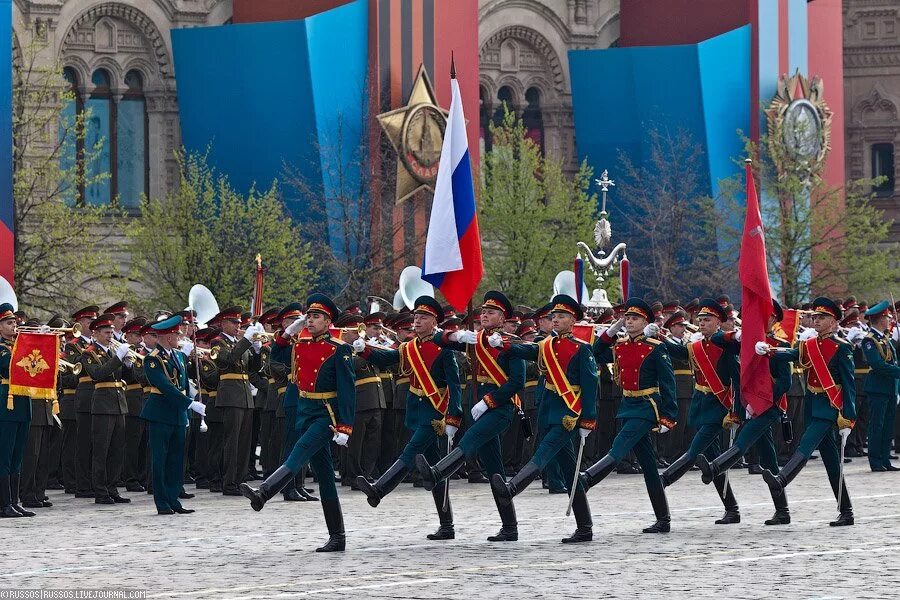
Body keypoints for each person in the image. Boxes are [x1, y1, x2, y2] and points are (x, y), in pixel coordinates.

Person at [240, 293, 356, 552]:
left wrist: (346, 426)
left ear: (328, 322)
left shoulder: (340, 349)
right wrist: (286, 333)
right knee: (325, 477)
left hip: (326, 415)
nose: (310, 320)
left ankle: (265, 492)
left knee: (298, 452)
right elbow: (275, 358)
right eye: (309, 316)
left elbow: (348, 391)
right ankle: (337, 537)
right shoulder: (300, 345)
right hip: (305, 411)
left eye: (316, 316)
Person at [414, 291, 526, 542]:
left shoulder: (511, 342)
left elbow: (517, 381)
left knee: (471, 439)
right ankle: (510, 527)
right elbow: (441, 340)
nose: (484, 315)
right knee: (495, 469)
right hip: (478, 407)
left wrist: (490, 401)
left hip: (501, 407)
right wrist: (456, 335)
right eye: (483, 312)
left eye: (491, 313)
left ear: (502, 318)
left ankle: (436, 473)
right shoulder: (474, 340)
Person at [352, 296, 462, 540]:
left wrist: (454, 417)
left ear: (435, 321)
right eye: (416, 317)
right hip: (417, 409)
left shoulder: (444, 349)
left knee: (410, 452)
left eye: (423, 318)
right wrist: (366, 351)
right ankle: (447, 526)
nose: (417, 321)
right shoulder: (410, 346)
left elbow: (455, 385)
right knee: (435, 470)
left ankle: (380, 489)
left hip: (435, 413)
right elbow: (386, 359)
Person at [492, 294, 598, 543]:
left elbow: (590, 385)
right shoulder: (546, 345)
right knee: (571, 473)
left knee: (542, 452)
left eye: (562, 316)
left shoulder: (582, 348)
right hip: (549, 409)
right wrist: (504, 345)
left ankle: (511, 489)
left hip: (568, 414)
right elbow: (526, 350)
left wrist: (588, 419)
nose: (556, 320)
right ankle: (585, 527)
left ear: (573, 321)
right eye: (554, 317)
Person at [580, 298, 677, 533]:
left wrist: (668, 415)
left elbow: (668, 383)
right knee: (649, 465)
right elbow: (594, 352)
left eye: (635, 318)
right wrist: (610, 332)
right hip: (627, 404)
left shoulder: (656, 347)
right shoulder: (620, 345)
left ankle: (588, 478)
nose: (630, 322)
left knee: (619, 446)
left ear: (645, 322)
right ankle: (663, 518)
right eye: (627, 318)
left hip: (646, 406)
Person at [758, 297, 857, 527]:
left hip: (830, 407)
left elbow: (850, 385)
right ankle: (847, 511)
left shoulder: (842, 347)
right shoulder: (809, 344)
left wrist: (848, 420)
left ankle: (782, 479)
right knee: (832, 462)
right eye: (815, 317)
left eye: (822, 318)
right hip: (813, 404)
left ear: (834, 322)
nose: (816, 321)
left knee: (806, 444)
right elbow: (791, 354)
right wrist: (769, 351)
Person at [696, 300, 796, 525]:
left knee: (742, 441)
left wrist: (762, 400)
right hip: (746, 405)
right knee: (769, 460)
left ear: (773, 319)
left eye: (762, 316)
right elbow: (718, 338)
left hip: (768, 407)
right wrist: (739, 335)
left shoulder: (778, 343)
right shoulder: (742, 341)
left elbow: (785, 382)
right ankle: (782, 511)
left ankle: (714, 467)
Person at [659, 299, 743, 524]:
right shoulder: (696, 345)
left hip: (718, 406)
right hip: (701, 403)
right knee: (712, 459)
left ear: (718, 323)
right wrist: (657, 337)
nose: (702, 323)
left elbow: (736, 379)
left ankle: (663, 481)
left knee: (695, 451)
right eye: (700, 319)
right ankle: (732, 509)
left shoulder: (725, 345)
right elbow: (677, 352)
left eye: (708, 320)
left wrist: (736, 411)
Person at [141, 316, 207, 514]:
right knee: (160, 459)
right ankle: (162, 503)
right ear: (169, 337)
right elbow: (165, 386)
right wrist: (189, 404)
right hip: (160, 413)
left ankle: (174, 500)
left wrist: (192, 400)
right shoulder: (153, 358)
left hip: (178, 414)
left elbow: (184, 384)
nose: (180, 337)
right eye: (177, 335)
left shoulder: (178, 355)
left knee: (177, 460)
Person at [81, 313, 133, 505]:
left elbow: (125, 375)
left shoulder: (113, 352)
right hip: (102, 404)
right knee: (101, 451)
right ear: (95, 333)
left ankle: (112, 488)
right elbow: (98, 374)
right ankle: (101, 491)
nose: (110, 336)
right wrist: (119, 358)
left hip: (119, 404)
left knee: (117, 451)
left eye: (111, 332)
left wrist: (127, 364)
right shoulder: (89, 353)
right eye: (106, 332)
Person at [210, 307, 262, 496]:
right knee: (231, 441)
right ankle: (229, 482)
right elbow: (229, 360)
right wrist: (247, 341)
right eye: (234, 322)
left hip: (245, 395)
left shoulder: (240, 342)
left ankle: (241, 480)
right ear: (223, 323)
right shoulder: (217, 343)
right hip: (230, 395)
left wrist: (256, 351)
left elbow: (253, 368)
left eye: (239, 323)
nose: (237, 326)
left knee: (244, 442)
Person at [0, 303, 36, 517]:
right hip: (6, 402)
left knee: (17, 455)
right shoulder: (3, 348)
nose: (14, 325)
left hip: (23, 402)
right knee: (4, 454)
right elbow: (11, 366)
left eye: (15, 322)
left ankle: (14, 500)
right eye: (9, 322)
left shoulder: (18, 345)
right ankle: (4, 503)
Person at [858, 301, 900, 472]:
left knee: (888, 424)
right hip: (877, 388)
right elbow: (878, 365)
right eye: (887, 317)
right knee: (877, 425)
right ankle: (875, 461)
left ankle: (885, 459)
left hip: (889, 388)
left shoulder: (885, 338)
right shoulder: (869, 340)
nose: (889, 320)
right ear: (880, 319)